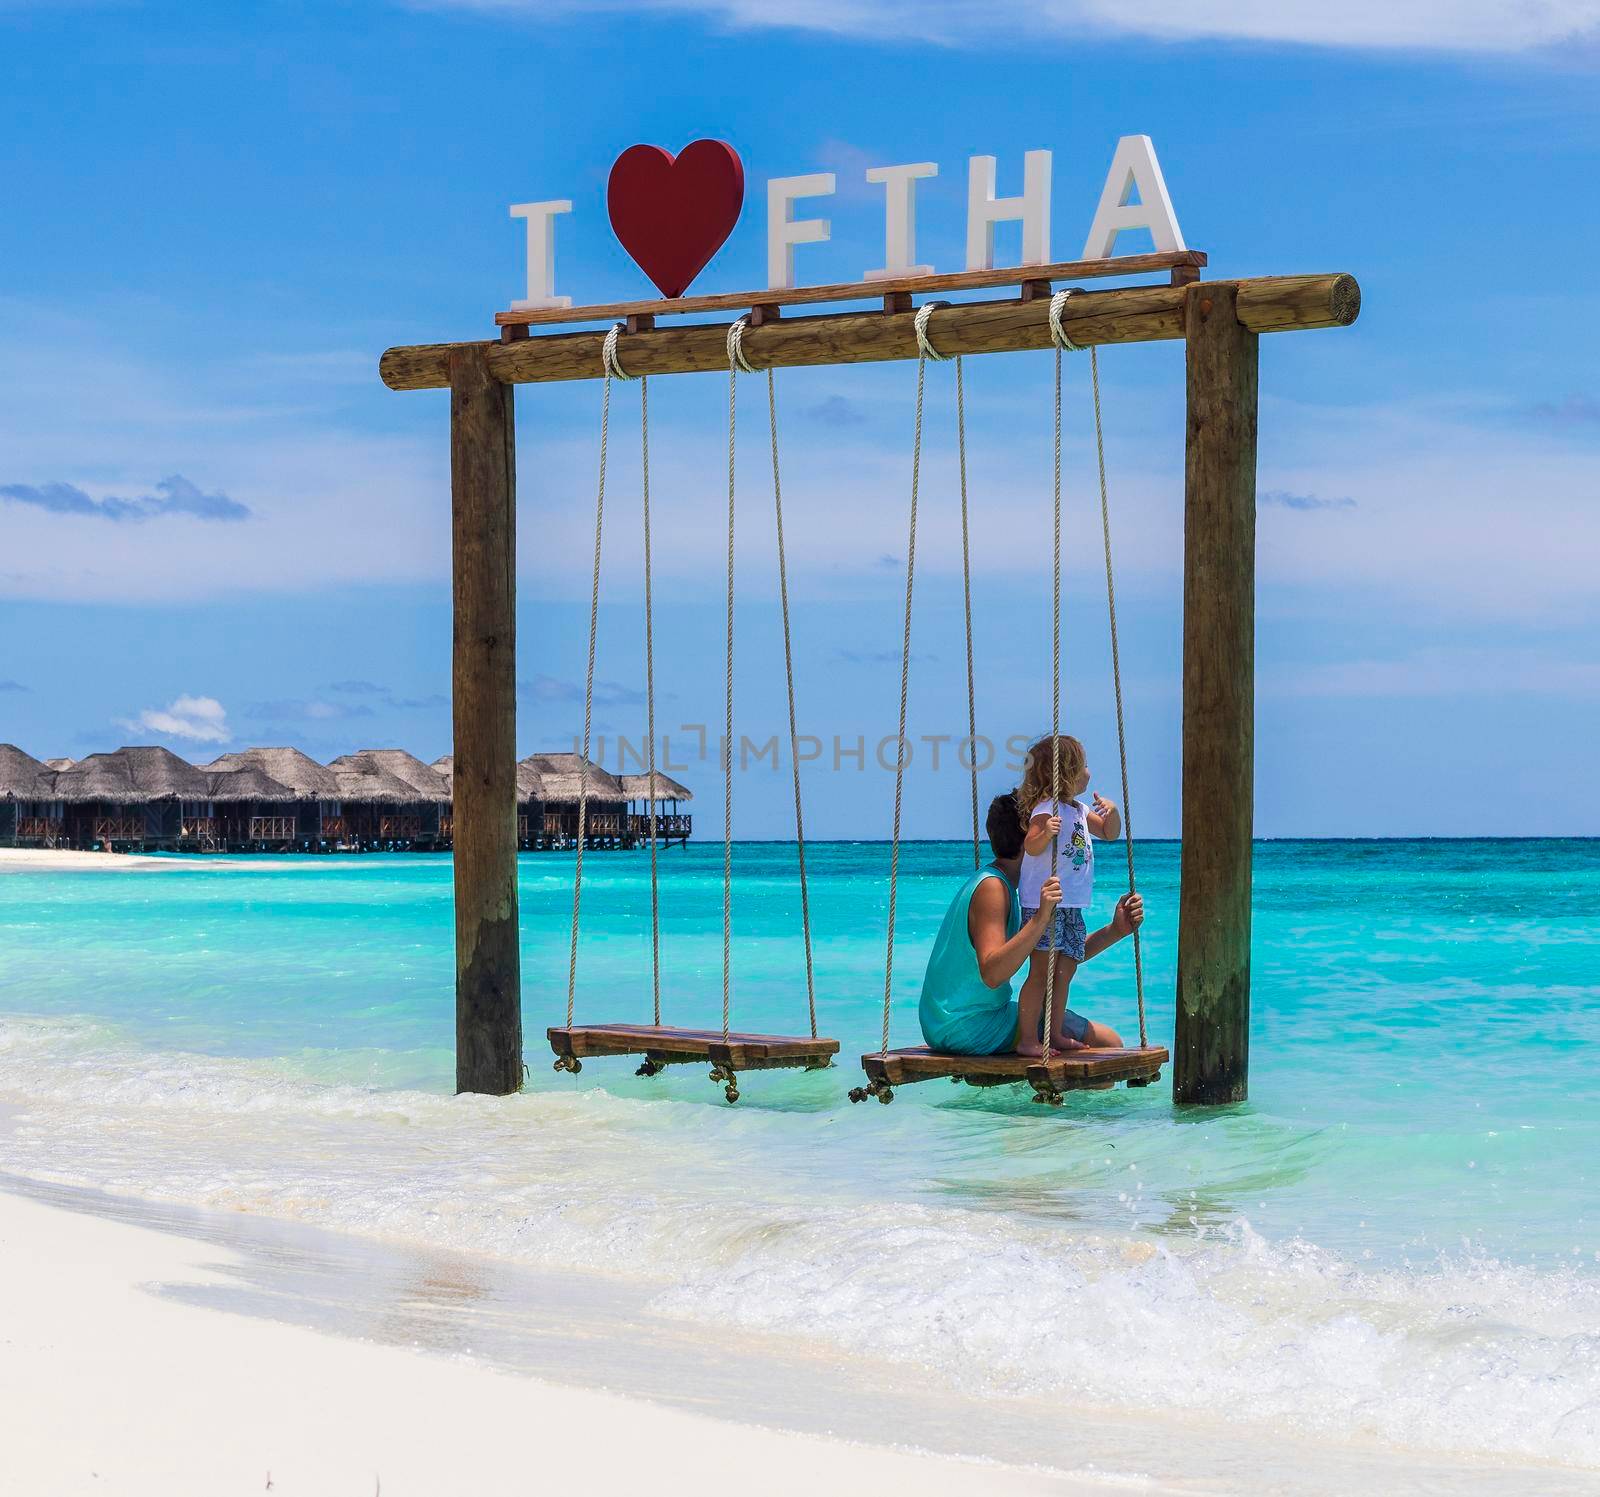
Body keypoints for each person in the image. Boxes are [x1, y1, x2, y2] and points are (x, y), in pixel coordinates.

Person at [918, 792, 1143, 1056]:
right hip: (969, 1025)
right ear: (1030, 835)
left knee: (1082, 1031)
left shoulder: (1001, 884)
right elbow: (993, 974)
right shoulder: (993, 888)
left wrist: (1115, 931)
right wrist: (1039, 920)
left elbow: (1057, 954)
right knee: (1107, 1042)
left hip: (955, 1021)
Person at [1014, 734, 1125, 1057]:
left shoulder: (1078, 809)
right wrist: (1044, 831)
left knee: (1066, 969)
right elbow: (1032, 845)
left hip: (1073, 904)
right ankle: (1027, 1039)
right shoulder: (1047, 808)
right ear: (1066, 772)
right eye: (1085, 765)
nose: (1090, 771)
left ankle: (1055, 1030)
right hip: (1045, 905)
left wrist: (1113, 812)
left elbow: (1109, 833)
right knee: (1040, 971)